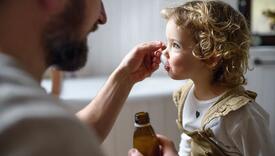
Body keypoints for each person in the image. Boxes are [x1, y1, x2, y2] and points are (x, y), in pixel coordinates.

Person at [0, 0, 175, 155]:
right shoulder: (35, 129)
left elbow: (66, 136)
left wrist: (126, 76)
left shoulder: (32, 128)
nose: (102, 17)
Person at [158, 0, 275, 156]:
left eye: (175, 45)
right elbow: (188, 141)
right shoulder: (186, 95)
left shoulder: (241, 116)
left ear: (210, 58)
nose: (164, 52)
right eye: (168, 43)